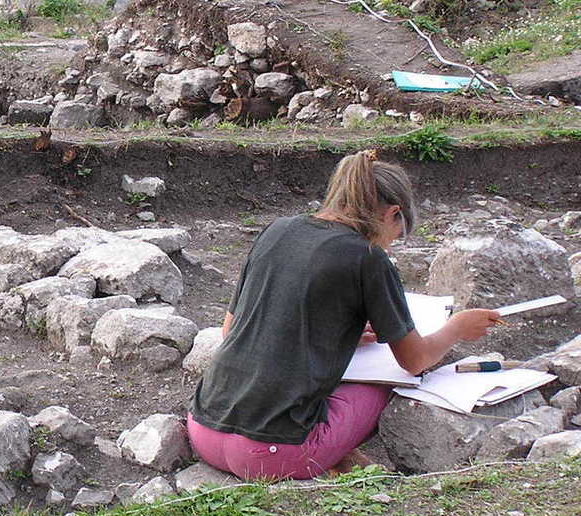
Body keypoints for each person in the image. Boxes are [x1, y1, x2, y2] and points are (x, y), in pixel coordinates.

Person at [187, 150, 501, 481]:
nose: (392, 244)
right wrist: (456, 327)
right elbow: (414, 359)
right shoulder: (368, 258)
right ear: (392, 212)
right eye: (398, 231)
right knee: (383, 385)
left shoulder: (277, 230)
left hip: (204, 427)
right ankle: (332, 454)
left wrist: (337, 332)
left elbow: (231, 330)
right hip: (270, 456)